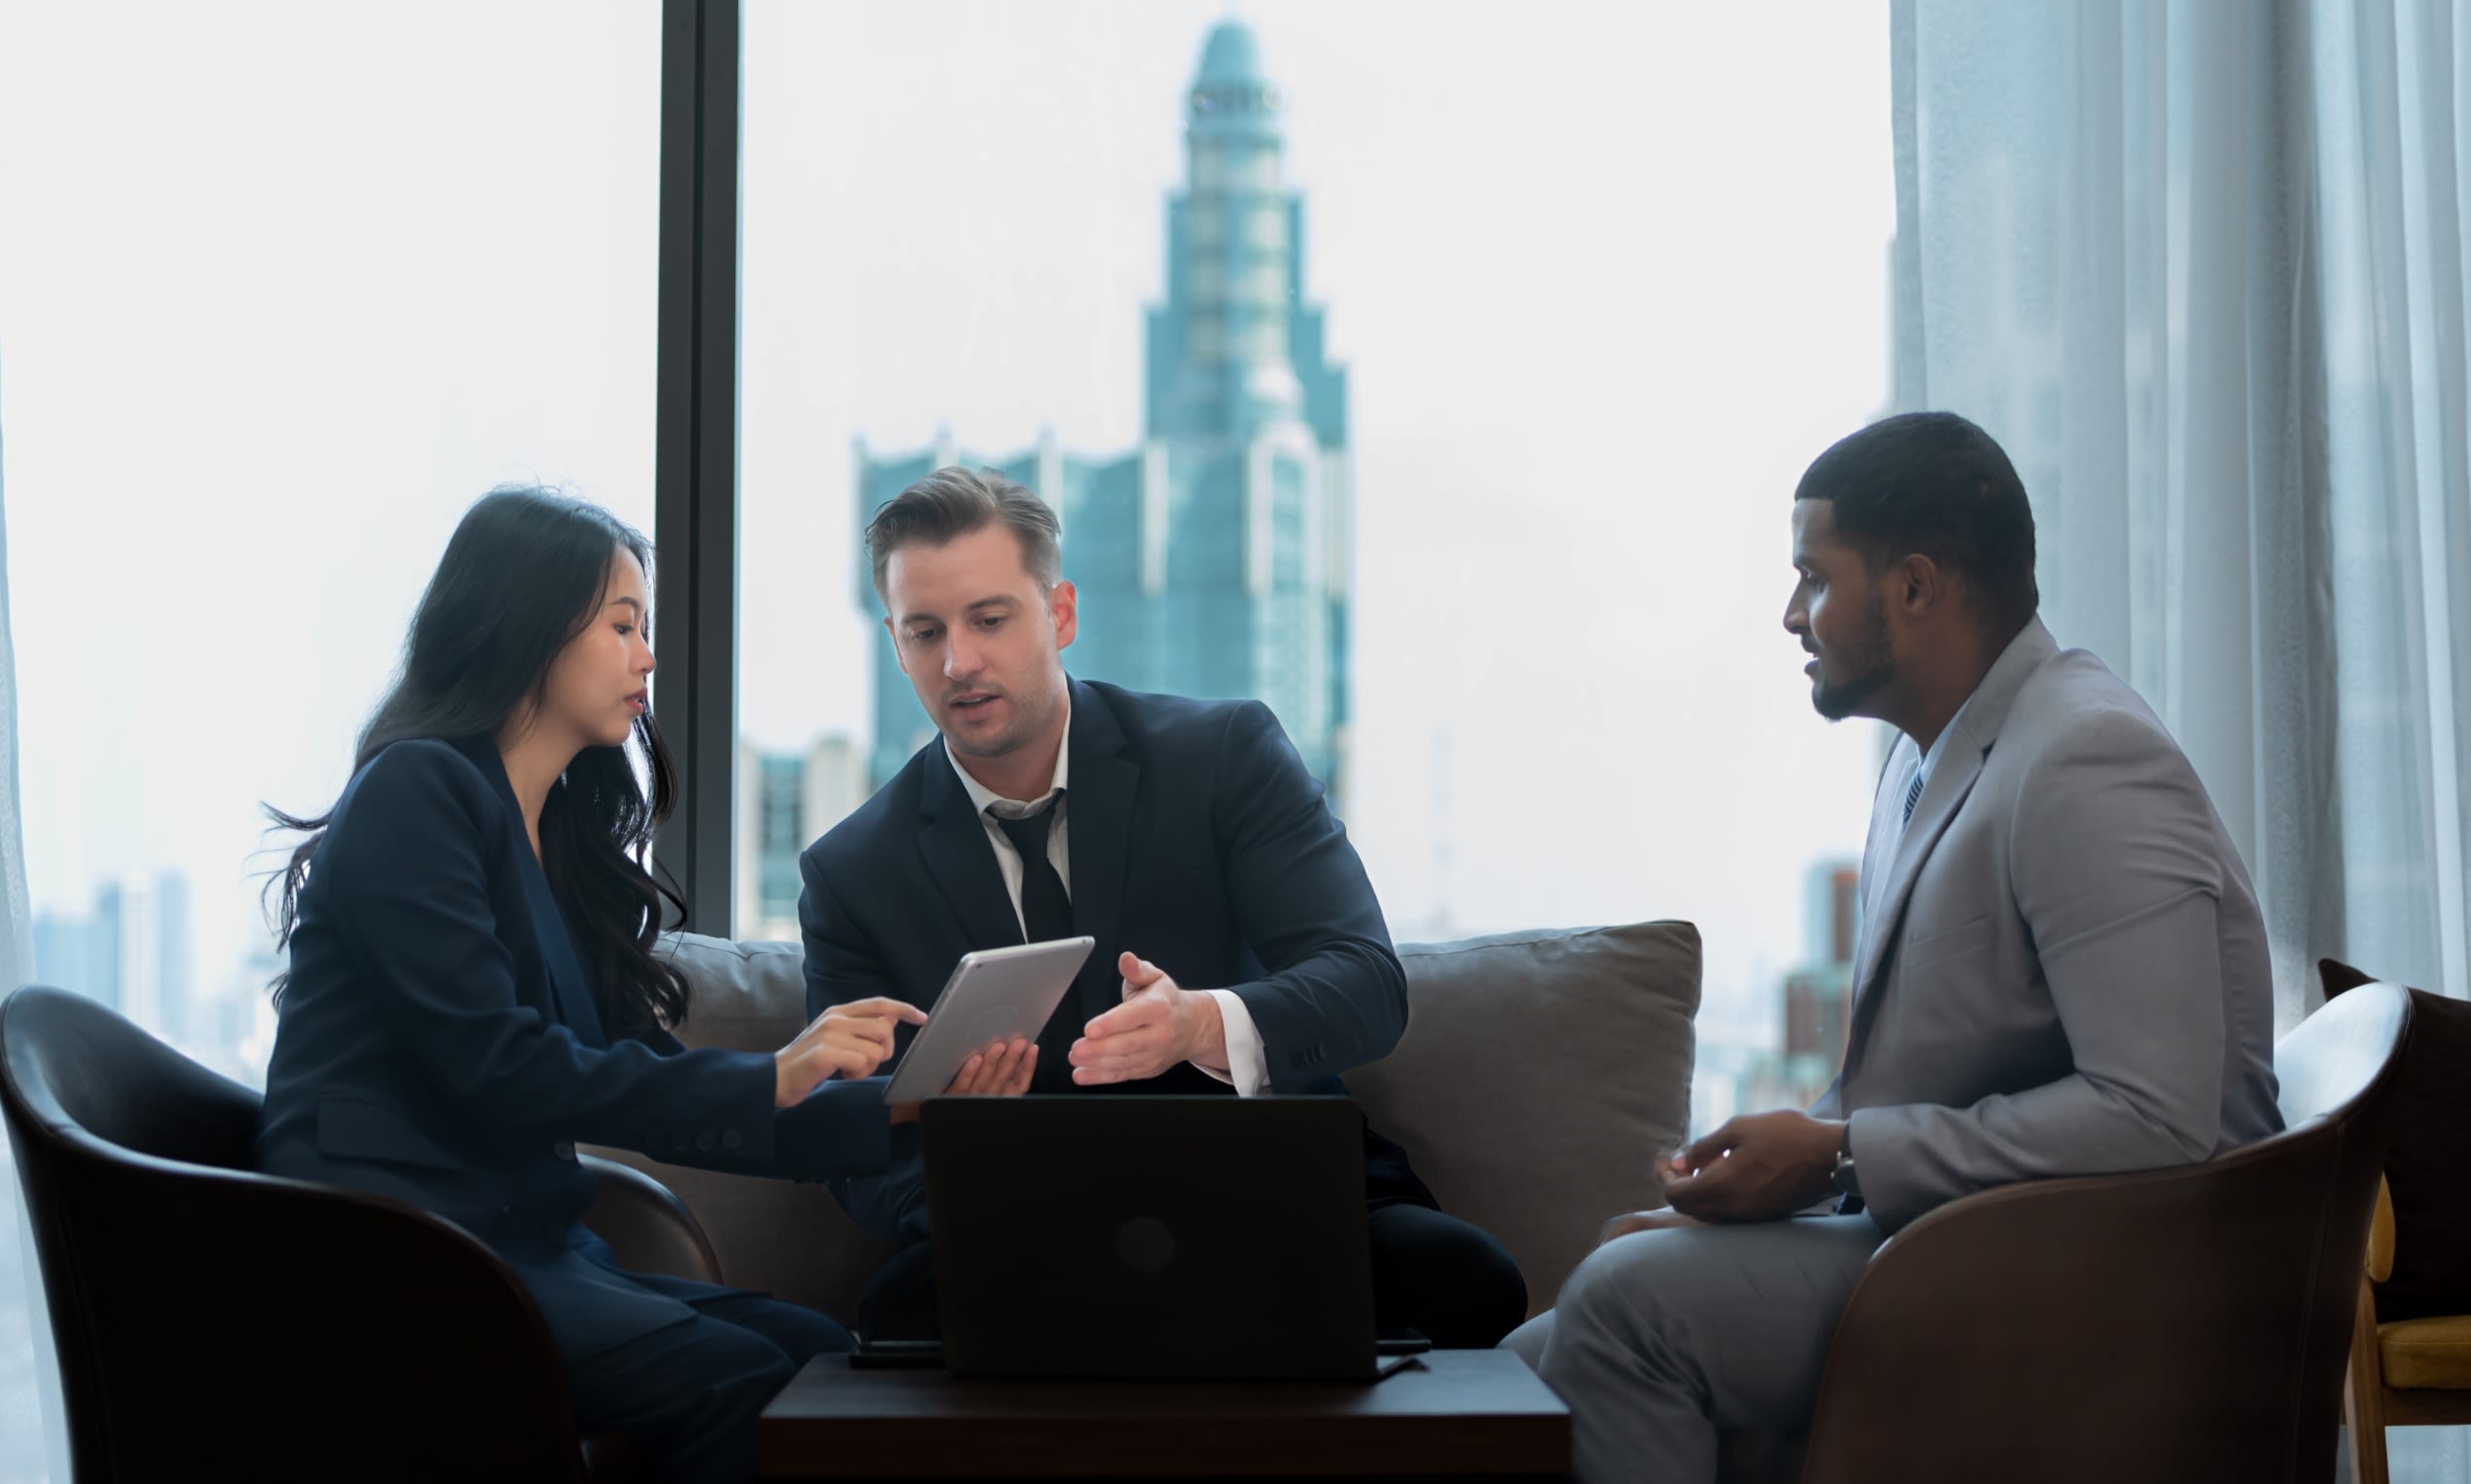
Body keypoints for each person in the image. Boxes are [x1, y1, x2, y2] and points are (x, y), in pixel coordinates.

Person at [1505, 411, 2283, 1482]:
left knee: (1625, 1308)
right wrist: (1776, 1188)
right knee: (1514, 1370)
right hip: (1965, 1241)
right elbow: (1933, 1080)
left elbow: (2155, 1114)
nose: (1790, 615)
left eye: (1813, 579)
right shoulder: (1925, 768)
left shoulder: (2086, 758)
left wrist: (1838, 1152)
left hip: (2103, 1277)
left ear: (1915, 587)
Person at [253, 486, 1027, 1483]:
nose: (647, 656)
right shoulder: (417, 792)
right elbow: (500, 1067)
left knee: (826, 1360)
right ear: (526, 622)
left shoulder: (557, 839)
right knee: (751, 1380)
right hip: (402, 1256)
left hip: (530, 1249)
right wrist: (778, 1070)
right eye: (623, 624)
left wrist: (902, 1108)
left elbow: (648, 1082)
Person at [800, 466, 1529, 1348]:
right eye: (925, 632)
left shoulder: (1224, 755)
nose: (959, 662)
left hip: (1272, 1193)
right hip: (1023, 1236)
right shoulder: (851, 870)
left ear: (1059, 614)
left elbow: (1366, 984)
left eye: (990, 620)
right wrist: (965, 1170)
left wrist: (1199, 1026)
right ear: (895, 641)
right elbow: (853, 1146)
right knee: (903, 1317)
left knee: (1465, 1278)